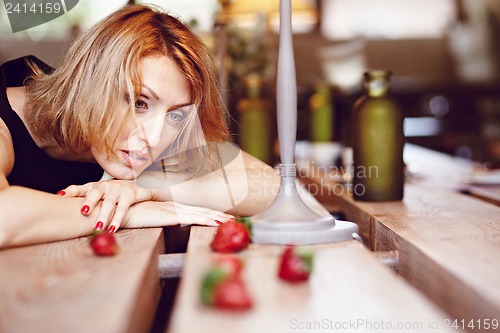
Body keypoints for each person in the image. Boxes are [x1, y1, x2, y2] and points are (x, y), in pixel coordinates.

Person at [0, 4, 285, 249]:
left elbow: (278, 191)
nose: (153, 136)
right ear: (90, 83)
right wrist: (123, 214)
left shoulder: (157, 137)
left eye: (176, 115)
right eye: (139, 103)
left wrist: (147, 188)